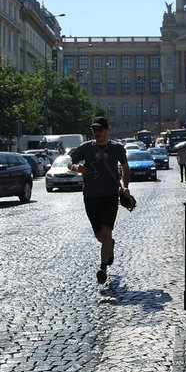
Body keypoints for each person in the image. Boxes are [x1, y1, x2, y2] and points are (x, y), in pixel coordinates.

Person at [69, 116, 131, 284]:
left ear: (107, 130)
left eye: (100, 130)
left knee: (107, 231)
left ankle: (102, 269)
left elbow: (125, 168)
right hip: (90, 196)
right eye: (94, 130)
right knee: (99, 236)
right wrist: (76, 168)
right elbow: (70, 162)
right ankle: (109, 245)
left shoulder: (117, 148)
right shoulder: (85, 148)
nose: (97, 133)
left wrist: (125, 187)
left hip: (110, 196)